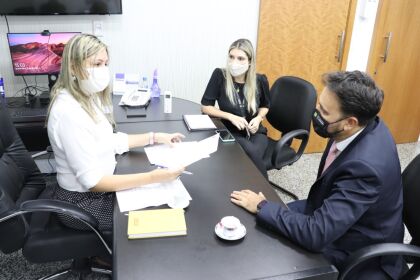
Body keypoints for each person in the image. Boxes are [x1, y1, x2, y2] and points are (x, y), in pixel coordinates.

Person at [230, 71, 404, 279]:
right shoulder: (358, 125)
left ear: (350, 122)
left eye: (324, 111)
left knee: (270, 254)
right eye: (319, 104)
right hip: (332, 212)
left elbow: (316, 235)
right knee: (259, 222)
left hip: (356, 249)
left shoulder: (365, 168)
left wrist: (261, 206)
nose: (315, 114)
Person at [47, 34, 184, 231]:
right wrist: (154, 177)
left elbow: (107, 140)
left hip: (98, 191)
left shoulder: (85, 97)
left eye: (105, 64)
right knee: (157, 217)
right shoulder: (68, 113)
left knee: (163, 201)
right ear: (73, 67)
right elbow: (93, 182)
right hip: (81, 204)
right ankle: (108, 259)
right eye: (96, 64)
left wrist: (155, 137)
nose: (103, 70)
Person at [201, 38, 270, 177]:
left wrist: (258, 118)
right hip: (230, 132)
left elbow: (265, 106)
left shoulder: (260, 80)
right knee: (251, 152)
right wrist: (230, 116)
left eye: (240, 58)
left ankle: (252, 190)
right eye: (231, 57)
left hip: (255, 131)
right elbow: (206, 107)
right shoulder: (220, 76)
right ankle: (266, 193)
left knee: (252, 155)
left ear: (250, 61)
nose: (234, 62)